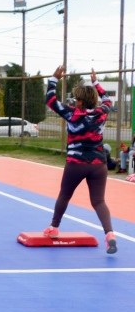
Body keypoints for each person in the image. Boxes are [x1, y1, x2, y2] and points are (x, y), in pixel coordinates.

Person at [44, 66, 117, 254]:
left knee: (65, 195)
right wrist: (96, 83)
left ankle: (53, 228)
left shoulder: (72, 114)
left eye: (76, 99)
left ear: (80, 102)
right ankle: (110, 234)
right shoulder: (101, 113)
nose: (75, 101)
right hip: (98, 164)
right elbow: (108, 99)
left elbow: (50, 100)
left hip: (76, 163)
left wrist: (54, 79)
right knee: (99, 201)